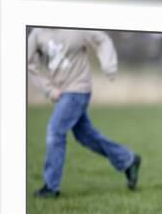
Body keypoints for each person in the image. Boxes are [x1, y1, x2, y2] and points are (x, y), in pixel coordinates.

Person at [28, 28, 141, 198]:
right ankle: (128, 159)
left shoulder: (76, 27)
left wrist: (108, 66)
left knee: (55, 131)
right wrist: (48, 90)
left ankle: (51, 187)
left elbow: (102, 40)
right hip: (60, 91)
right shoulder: (37, 34)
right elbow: (29, 64)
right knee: (85, 136)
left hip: (78, 89)